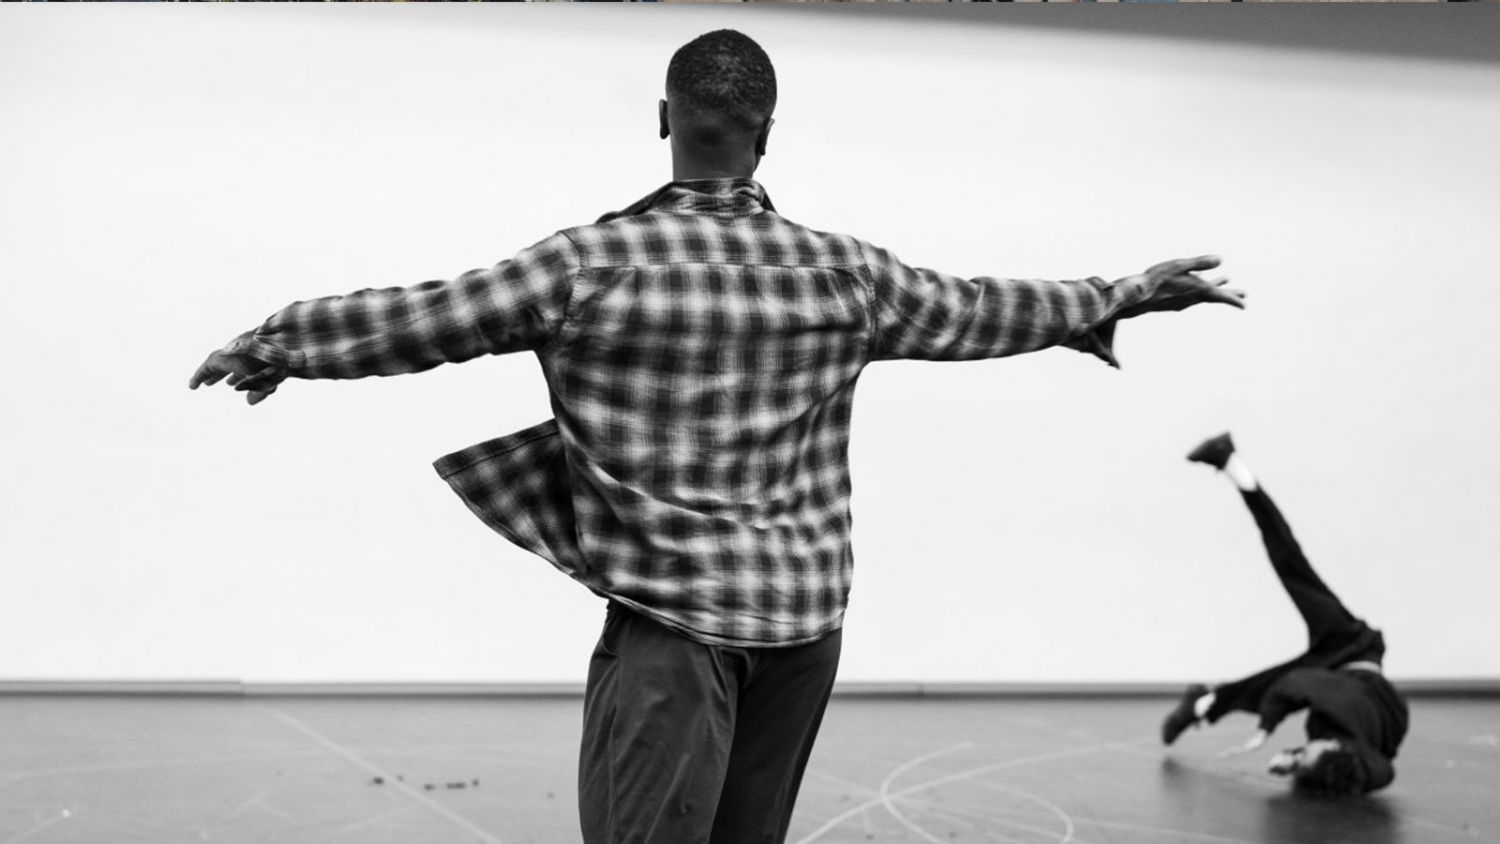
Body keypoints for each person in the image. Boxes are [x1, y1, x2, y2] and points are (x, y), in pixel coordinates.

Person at [191, 29, 1245, 844]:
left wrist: (278, 342)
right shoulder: (846, 275)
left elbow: (424, 317)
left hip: (673, 629)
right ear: (767, 134)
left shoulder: (585, 266)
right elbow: (980, 308)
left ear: (664, 118)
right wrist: (1116, 294)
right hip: (805, 626)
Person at [1161, 433, 1410, 796]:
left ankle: (1202, 703)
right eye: (1306, 752)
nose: (1302, 750)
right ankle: (1232, 464)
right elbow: (1292, 687)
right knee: (1290, 563)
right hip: (1349, 644)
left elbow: (1373, 772)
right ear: (1335, 745)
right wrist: (1265, 730)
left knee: (1260, 686)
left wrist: (1295, 761)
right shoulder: (1342, 708)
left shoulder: (1366, 765)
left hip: (1343, 669)